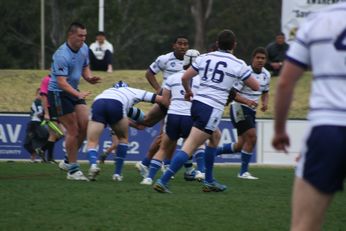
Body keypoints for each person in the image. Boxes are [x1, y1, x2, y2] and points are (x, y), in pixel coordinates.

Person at [153, 29, 259, 193]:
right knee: (190, 146)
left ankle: (209, 180)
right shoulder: (238, 63)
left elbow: (184, 77)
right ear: (234, 45)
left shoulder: (204, 57)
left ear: (217, 44)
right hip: (212, 108)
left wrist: (188, 92)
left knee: (215, 136)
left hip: (197, 104)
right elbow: (255, 86)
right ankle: (163, 180)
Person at [272, 3, 346, 230]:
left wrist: (279, 131)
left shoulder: (317, 21)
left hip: (328, 129)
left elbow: (285, 82)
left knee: (304, 225)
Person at [140, 49, 206, 185]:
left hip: (173, 116)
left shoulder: (172, 78)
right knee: (198, 144)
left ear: (184, 61)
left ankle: (149, 178)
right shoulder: (203, 80)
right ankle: (201, 171)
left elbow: (164, 100)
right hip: (190, 117)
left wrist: (174, 107)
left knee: (163, 148)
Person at [48, 22, 101, 181]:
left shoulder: (84, 48)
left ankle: (66, 161)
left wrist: (89, 78)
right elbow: (61, 82)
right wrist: (77, 94)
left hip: (74, 92)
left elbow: (85, 66)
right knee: (73, 130)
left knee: (86, 126)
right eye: (80, 35)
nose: (83, 39)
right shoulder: (61, 55)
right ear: (70, 35)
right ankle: (73, 170)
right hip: (58, 93)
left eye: (85, 35)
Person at [86, 81, 165, 181]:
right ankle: (117, 174)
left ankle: (93, 165)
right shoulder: (131, 92)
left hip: (98, 103)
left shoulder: (106, 92)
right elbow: (159, 101)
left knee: (92, 141)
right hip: (117, 106)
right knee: (123, 139)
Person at [135, 35, 189, 176]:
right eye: (180, 43)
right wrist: (159, 90)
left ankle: (153, 163)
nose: (183, 46)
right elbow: (149, 73)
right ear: (174, 45)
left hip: (180, 102)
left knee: (165, 133)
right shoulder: (165, 59)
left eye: (185, 44)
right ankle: (153, 163)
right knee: (150, 124)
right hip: (168, 100)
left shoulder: (191, 60)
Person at [215, 47, 271, 180]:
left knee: (240, 145)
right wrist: (247, 101)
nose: (260, 60)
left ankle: (211, 153)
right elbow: (233, 93)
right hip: (239, 107)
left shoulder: (266, 75)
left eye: (263, 58)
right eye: (258, 57)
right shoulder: (245, 72)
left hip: (251, 110)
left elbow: (265, 91)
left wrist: (265, 102)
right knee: (252, 137)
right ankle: (243, 172)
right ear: (253, 59)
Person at [38, 74, 64, 163]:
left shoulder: (59, 80)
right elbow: (43, 96)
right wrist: (46, 113)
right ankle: (50, 158)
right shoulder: (46, 80)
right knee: (54, 134)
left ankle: (42, 149)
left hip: (56, 110)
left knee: (61, 134)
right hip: (49, 110)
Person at [23, 88, 48, 163]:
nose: (41, 96)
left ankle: (37, 154)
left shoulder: (41, 103)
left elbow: (39, 113)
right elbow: (38, 112)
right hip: (34, 124)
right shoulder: (37, 102)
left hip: (36, 124)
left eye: (42, 94)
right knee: (27, 143)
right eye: (39, 94)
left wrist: (42, 114)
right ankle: (36, 153)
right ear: (36, 95)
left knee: (36, 140)